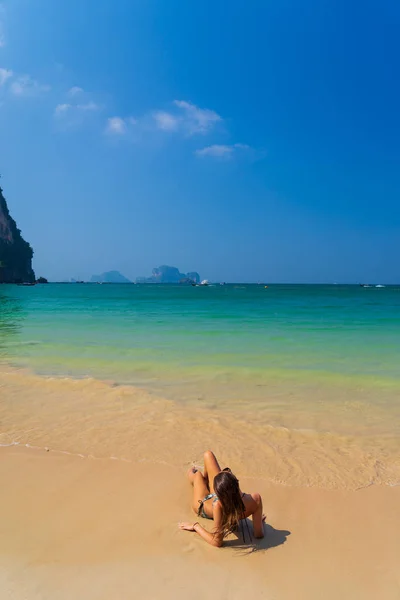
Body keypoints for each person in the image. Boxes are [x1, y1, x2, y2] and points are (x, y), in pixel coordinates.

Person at [178, 450, 265, 547]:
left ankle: (195, 476)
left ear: (218, 493)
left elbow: (217, 542)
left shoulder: (218, 505)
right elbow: (259, 534)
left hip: (203, 504)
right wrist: (259, 522)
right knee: (208, 454)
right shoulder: (255, 499)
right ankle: (206, 480)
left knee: (197, 475)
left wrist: (196, 526)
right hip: (224, 496)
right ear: (236, 482)